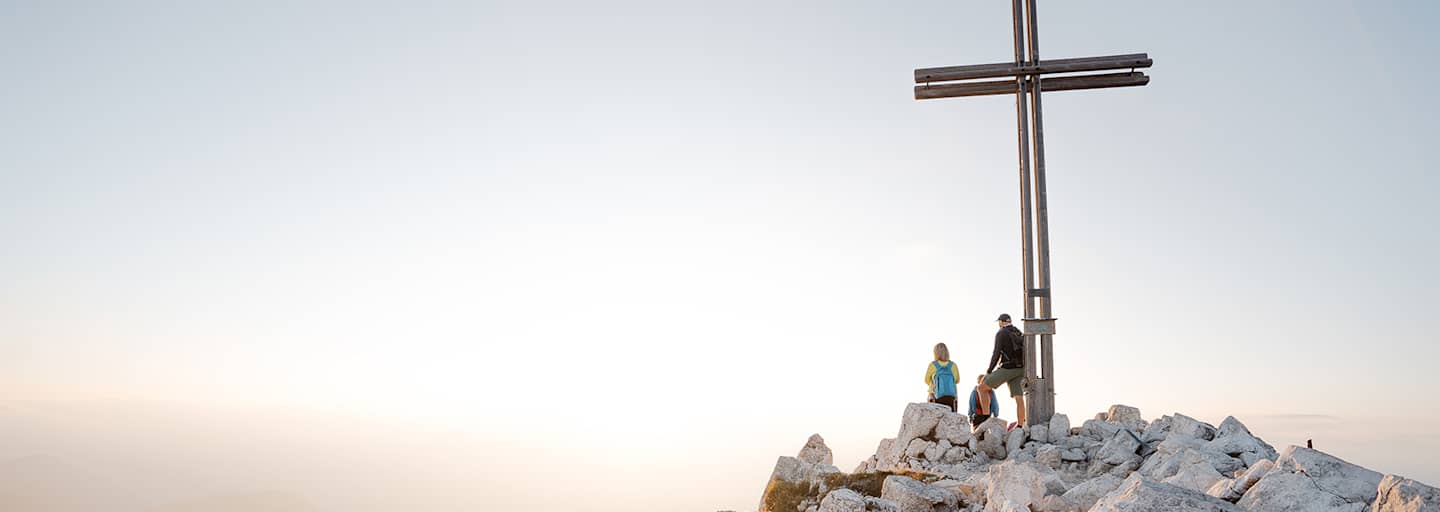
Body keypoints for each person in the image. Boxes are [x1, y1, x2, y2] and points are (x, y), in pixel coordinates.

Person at [979, 313, 1026, 430]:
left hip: (1007, 368)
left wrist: (989, 371)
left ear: (1001, 322)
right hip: (1021, 369)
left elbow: (996, 353)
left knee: (981, 388)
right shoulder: (1018, 331)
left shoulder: (1001, 333)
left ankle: (985, 418)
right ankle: (1020, 425)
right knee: (1019, 397)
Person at [924, 342, 960, 412]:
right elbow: (957, 380)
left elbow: (926, 380)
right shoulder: (953, 365)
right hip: (951, 397)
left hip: (935, 396)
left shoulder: (933, 365)